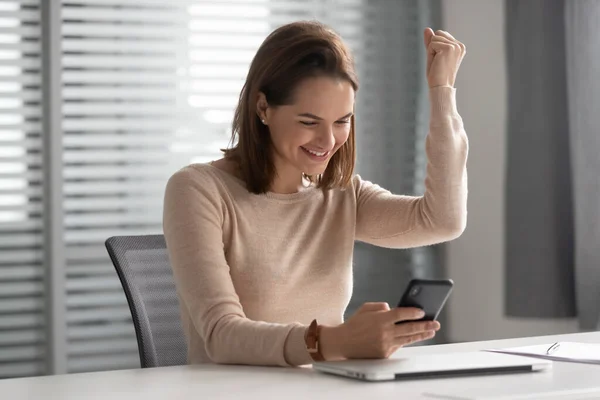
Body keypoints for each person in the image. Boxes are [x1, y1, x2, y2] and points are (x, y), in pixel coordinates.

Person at [163, 20, 468, 367]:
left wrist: (442, 92)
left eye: (342, 121)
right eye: (309, 122)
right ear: (263, 109)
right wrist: (335, 341)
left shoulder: (340, 194)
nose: (328, 142)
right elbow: (220, 334)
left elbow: (443, 220)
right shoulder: (197, 190)